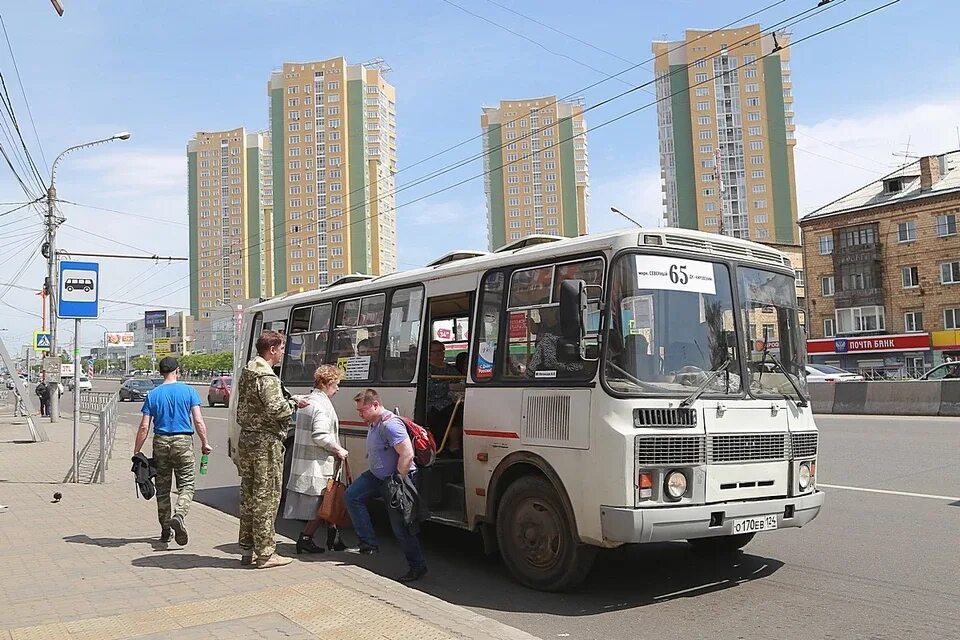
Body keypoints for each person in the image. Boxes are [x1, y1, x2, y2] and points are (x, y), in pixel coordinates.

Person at [236, 330, 308, 569]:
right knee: (266, 497)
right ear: (273, 349)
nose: (283, 353)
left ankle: (247, 549)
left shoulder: (248, 371)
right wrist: (295, 402)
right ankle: (266, 553)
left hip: (247, 439)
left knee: (248, 495)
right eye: (282, 348)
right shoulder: (266, 376)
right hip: (265, 442)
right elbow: (277, 410)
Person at [345, 389, 427, 583]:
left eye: (362, 410)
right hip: (376, 477)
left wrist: (398, 481)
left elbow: (407, 454)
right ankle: (368, 543)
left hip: (395, 480)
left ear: (375, 405)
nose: (360, 414)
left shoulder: (391, 425)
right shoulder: (374, 422)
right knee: (352, 496)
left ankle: (418, 566)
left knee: (401, 528)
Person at [133, 356, 212, 545]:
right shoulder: (189, 391)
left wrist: (136, 451)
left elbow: (144, 427)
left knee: (162, 489)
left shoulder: (153, 395)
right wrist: (204, 442)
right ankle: (179, 515)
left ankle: (165, 530)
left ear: (161, 373)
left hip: (161, 442)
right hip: (183, 441)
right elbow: (198, 421)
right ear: (177, 370)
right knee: (186, 485)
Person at [283, 364, 349, 554]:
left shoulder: (307, 400)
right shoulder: (321, 406)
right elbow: (320, 435)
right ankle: (306, 538)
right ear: (327, 383)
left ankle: (333, 537)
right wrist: (339, 449)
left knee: (328, 499)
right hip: (318, 463)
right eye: (336, 384)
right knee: (323, 503)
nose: (338, 389)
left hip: (308, 462)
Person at [426, 340, 462, 455]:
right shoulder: (427, 370)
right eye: (435, 352)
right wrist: (449, 386)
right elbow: (430, 389)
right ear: (429, 354)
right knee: (455, 411)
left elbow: (461, 381)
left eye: (441, 351)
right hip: (434, 404)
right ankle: (454, 446)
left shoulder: (451, 369)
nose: (439, 354)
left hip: (454, 400)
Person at [526, 308, 584, 377]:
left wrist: (528, 375)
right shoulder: (544, 327)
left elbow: (536, 362)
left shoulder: (551, 336)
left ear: (553, 311)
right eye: (540, 312)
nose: (541, 315)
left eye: (543, 311)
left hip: (558, 374)